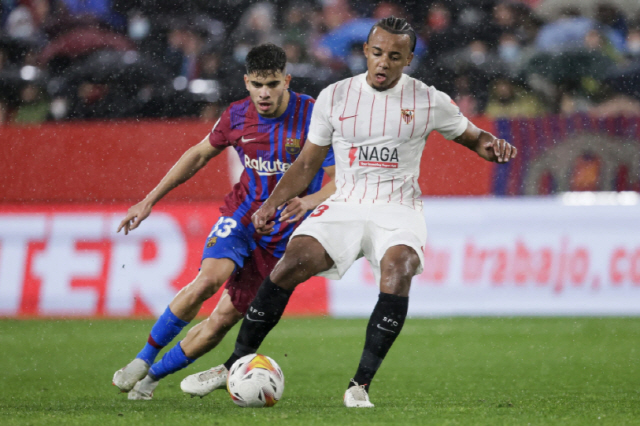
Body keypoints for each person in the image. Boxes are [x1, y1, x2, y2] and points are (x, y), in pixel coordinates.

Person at [191, 16, 517, 407]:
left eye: (394, 56)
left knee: (399, 269)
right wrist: (272, 204)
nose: (383, 62)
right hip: (345, 202)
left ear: (408, 59)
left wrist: (493, 147)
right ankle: (233, 364)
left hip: (397, 207)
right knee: (291, 263)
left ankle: (359, 385)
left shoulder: (428, 100)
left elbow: (475, 138)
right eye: (377, 53)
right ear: (365, 51)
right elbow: (307, 164)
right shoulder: (335, 96)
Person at [112, 43, 336, 400]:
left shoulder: (313, 116)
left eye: (273, 84)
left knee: (221, 320)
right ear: (247, 82)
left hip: (281, 238)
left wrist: (307, 201)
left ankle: (151, 379)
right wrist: (149, 199)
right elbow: (199, 154)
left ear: (287, 81)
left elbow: (342, 178)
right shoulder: (236, 115)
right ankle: (143, 358)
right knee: (207, 281)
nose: (264, 93)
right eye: (257, 85)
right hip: (241, 217)